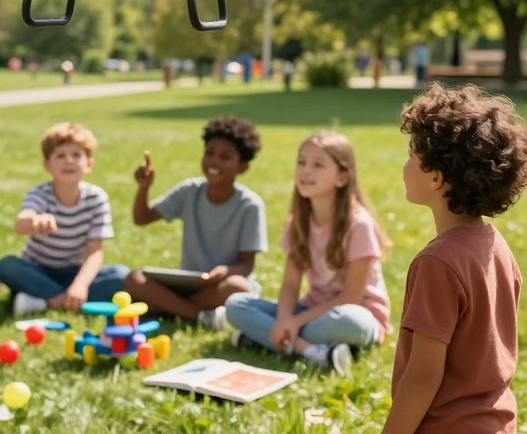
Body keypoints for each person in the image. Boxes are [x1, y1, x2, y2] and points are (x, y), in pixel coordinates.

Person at [384, 84, 527, 434]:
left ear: (435, 178)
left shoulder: (437, 262)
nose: (405, 164)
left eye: (411, 154)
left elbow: (422, 376)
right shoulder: (497, 247)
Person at [226, 131, 391, 374]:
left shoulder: (359, 224)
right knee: (235, 305)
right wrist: (284, 319)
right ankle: (311, 350)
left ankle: (265, 337)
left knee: (348, 322)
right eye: (301, 163)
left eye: (318, 165)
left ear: (343, 177)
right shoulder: (297, 222)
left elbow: (351, 297)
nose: (305, 171)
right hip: (310, 311)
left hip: (355, 315)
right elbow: (291, 285)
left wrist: (294, 323)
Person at [123, 116, 267, 329]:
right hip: (189, 283)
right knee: (134, 279)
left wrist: (223, 272)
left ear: (243, 167)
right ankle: (200, 316)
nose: (214, 161)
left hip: (220, 285)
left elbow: (246, 265)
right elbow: (142, 218)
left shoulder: (250, 205)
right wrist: (144, 187)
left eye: (225, 157)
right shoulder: (189, 191)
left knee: (238, 287)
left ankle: (169, 308)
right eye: (209, 154)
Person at [0, 122, 130, 316]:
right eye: (60, 155)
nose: (69, 161)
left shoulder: (96, 198)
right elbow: (21, 223)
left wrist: (80, 286)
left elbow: (95, 253)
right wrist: (35, 221)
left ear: (89, 163)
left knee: (121, 274)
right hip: (38, 271)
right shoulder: (40, 193)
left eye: (76, 155)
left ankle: (43, 301)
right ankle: (64, 301)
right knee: (7, 265)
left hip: (74, 273)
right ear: (47, 165)